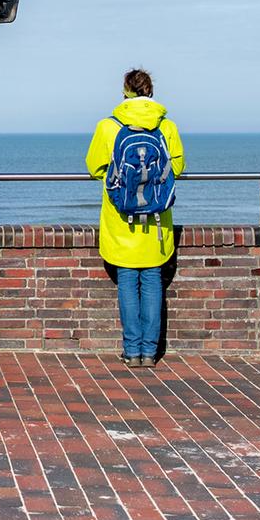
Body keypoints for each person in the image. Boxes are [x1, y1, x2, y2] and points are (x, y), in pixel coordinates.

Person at [85, 68, 186, 368]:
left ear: (125, 91)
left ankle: (131, 351)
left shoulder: (108, 127)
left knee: (127, 280)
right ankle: (150, 352)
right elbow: (177, 168)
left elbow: (93, 167)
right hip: (155, 219)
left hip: (121, 219)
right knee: (153, 280)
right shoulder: (166, 126)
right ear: (150, 92)